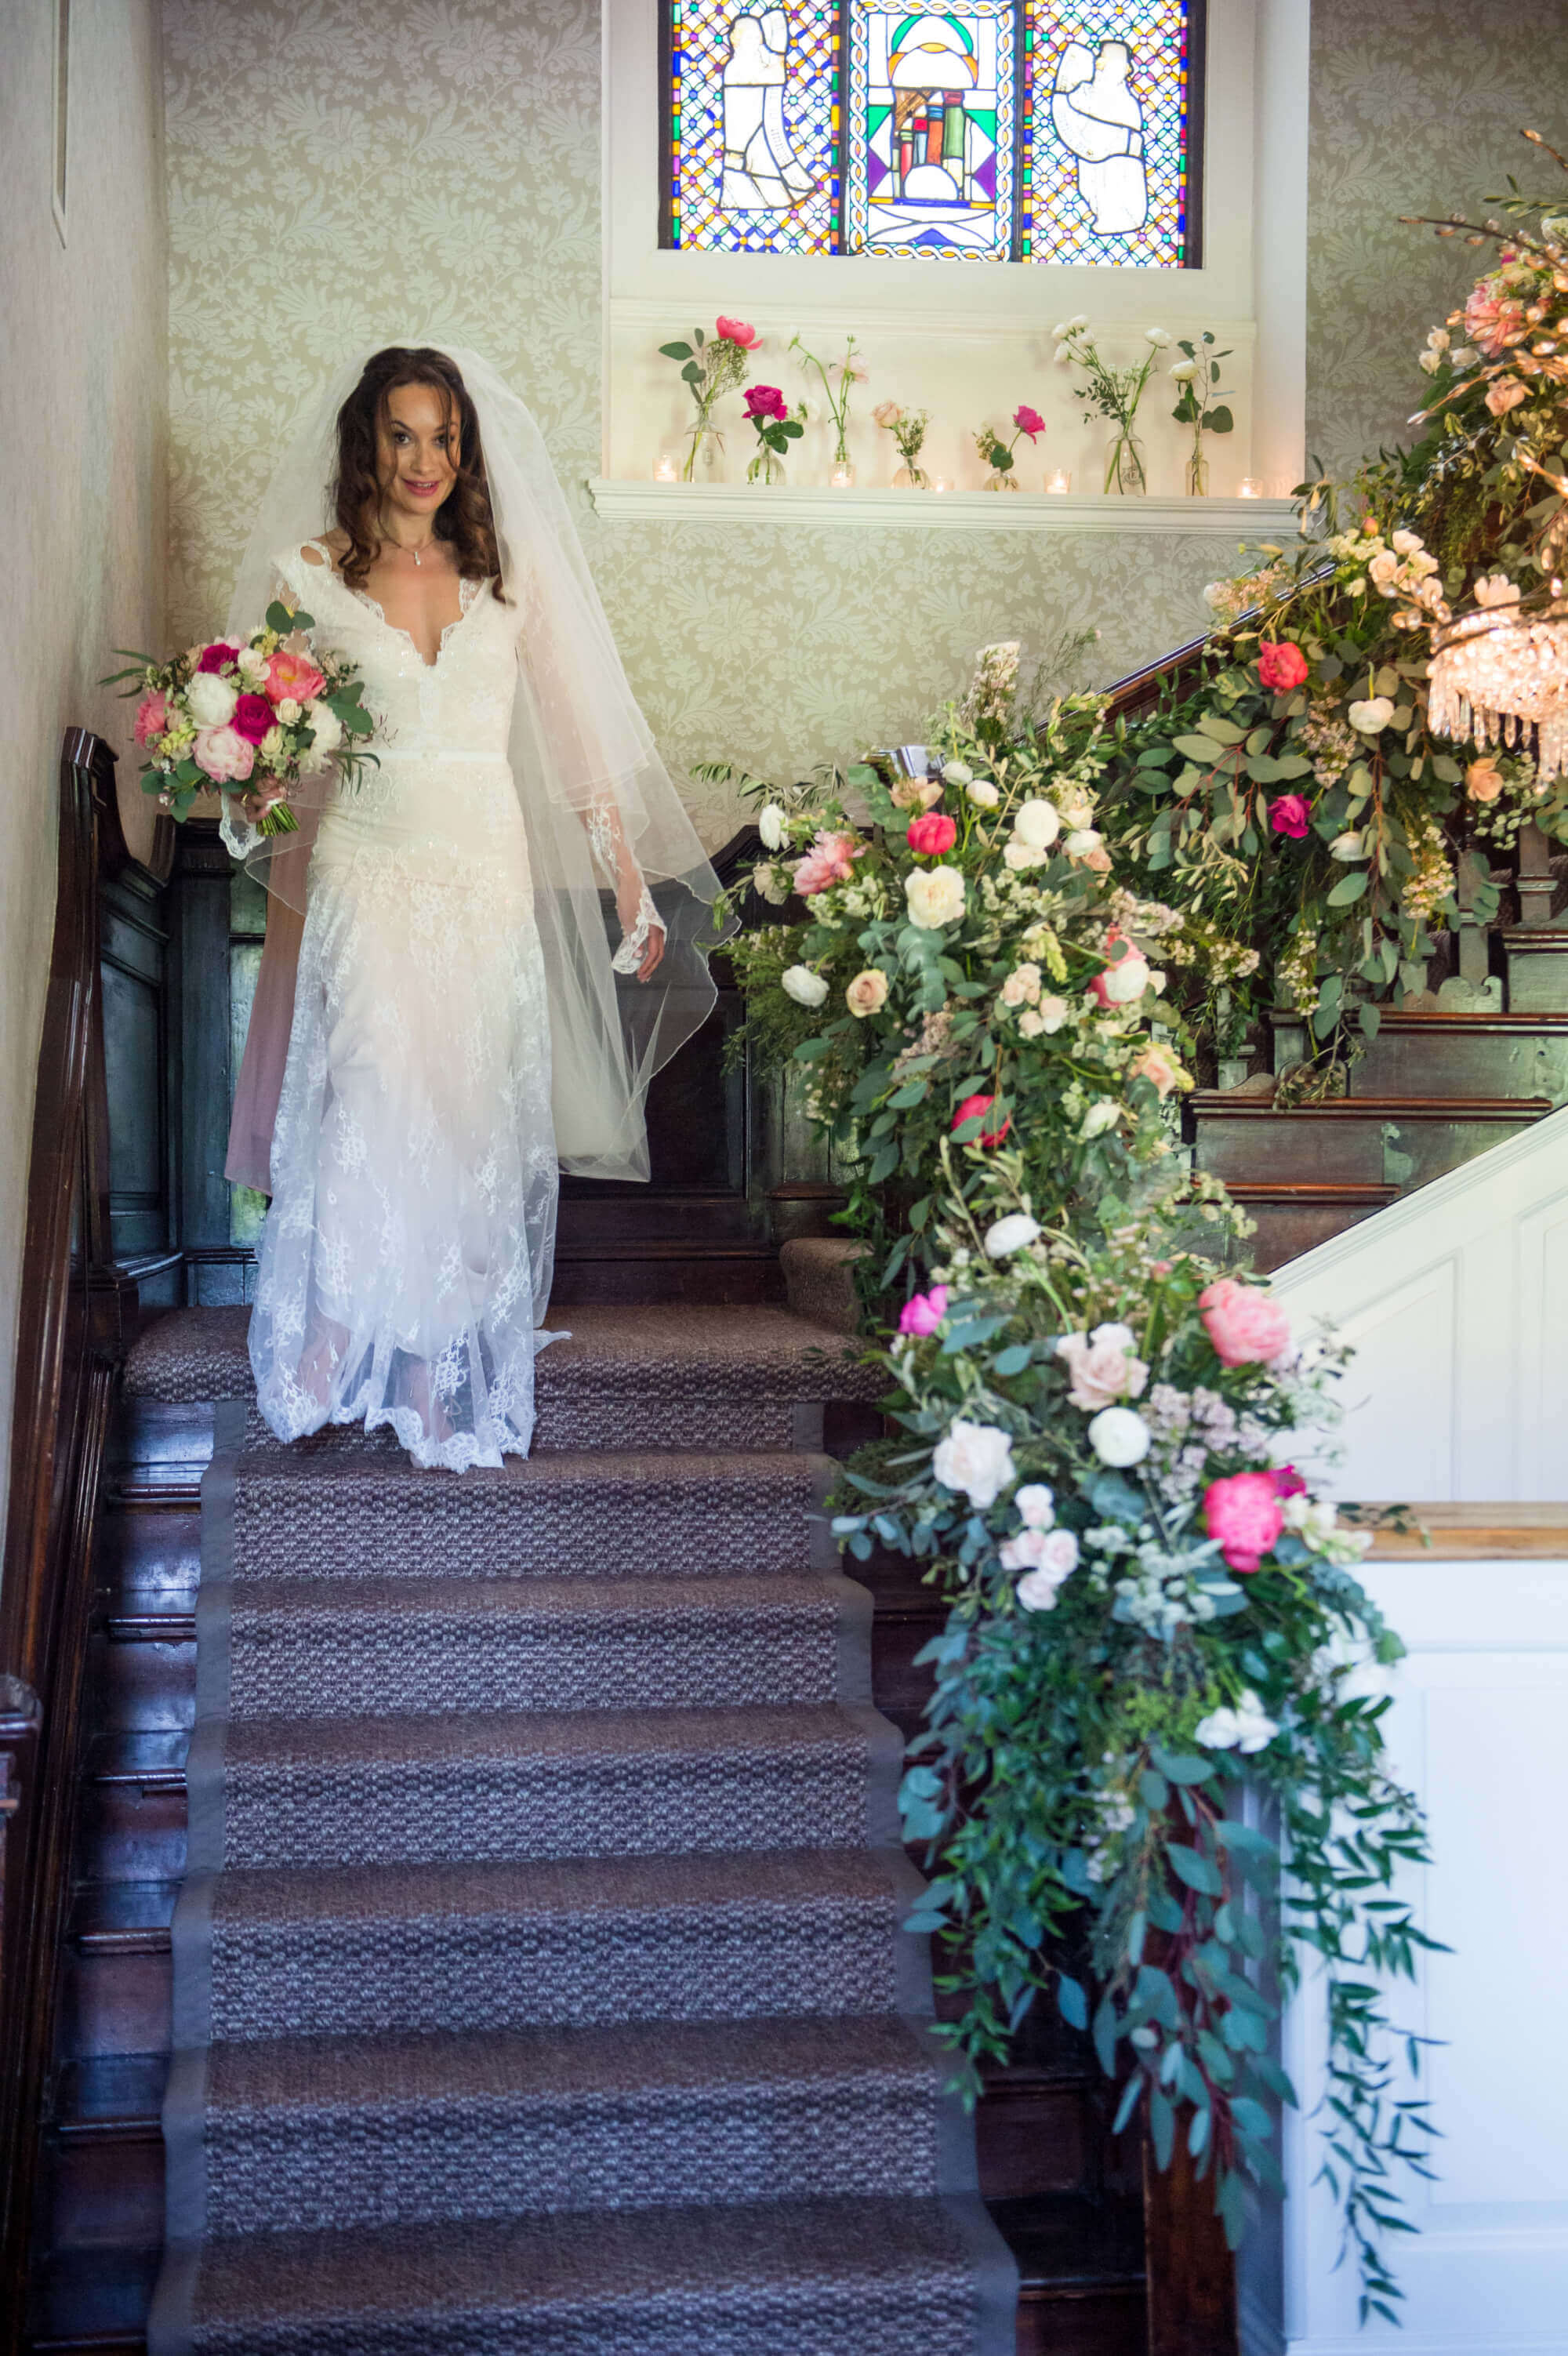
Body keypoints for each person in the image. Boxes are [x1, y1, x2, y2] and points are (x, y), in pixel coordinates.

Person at [220, 345, 724, 1471]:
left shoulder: (508, 578)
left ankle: (435, 1364)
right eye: (402, 435)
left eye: (443, 437)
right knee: (367, 1084)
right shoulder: (308, 574)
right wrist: (233, 764)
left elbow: (581, 737)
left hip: (482, 864)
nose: (425, 460)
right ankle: (336, 1338)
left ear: (466, 447)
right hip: (365, 855)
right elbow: (262, 727)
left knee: (460, 1106)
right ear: (367, 442)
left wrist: (627, 875)